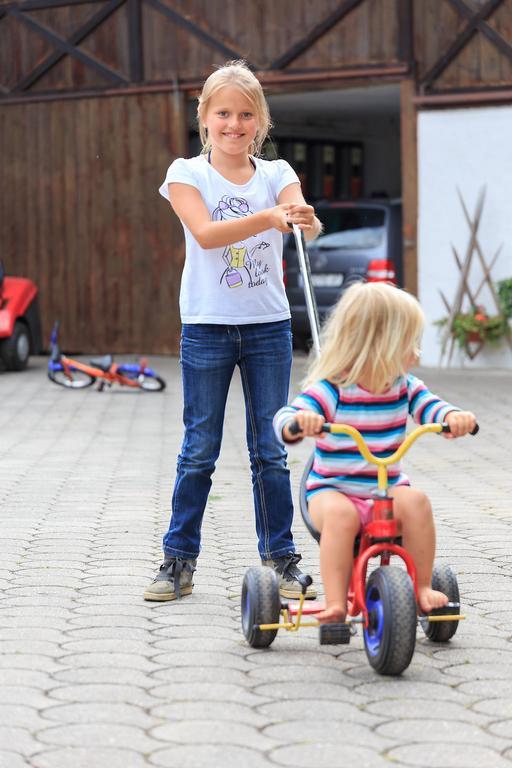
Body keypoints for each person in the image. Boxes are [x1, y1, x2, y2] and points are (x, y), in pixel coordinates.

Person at [144, 60, 322, 603]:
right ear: (205, 116)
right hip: (207, 328)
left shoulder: (276, 173)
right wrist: (269, 219)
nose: (234, 124)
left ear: (259, 122)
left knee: (270, 449)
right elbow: (204, 234)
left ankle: (282, 560)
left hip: (268, 327)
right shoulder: (186, 173)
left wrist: (304, 220)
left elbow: (304, 224)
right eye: (223, 113)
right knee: (200, 448)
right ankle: (178, 561)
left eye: (246, 115)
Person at [273, 282, 477, 624]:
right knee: (341, 517)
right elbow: (284, 417)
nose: (416, 353)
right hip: (331, 490)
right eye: (409, 343)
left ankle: (422, 586)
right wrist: (299, 423)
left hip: (385, 489)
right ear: (379, 345)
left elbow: (433, 407)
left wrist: (453, 418)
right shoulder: (333, 389)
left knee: (416, 502)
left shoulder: (405, 386)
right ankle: (336, 602)